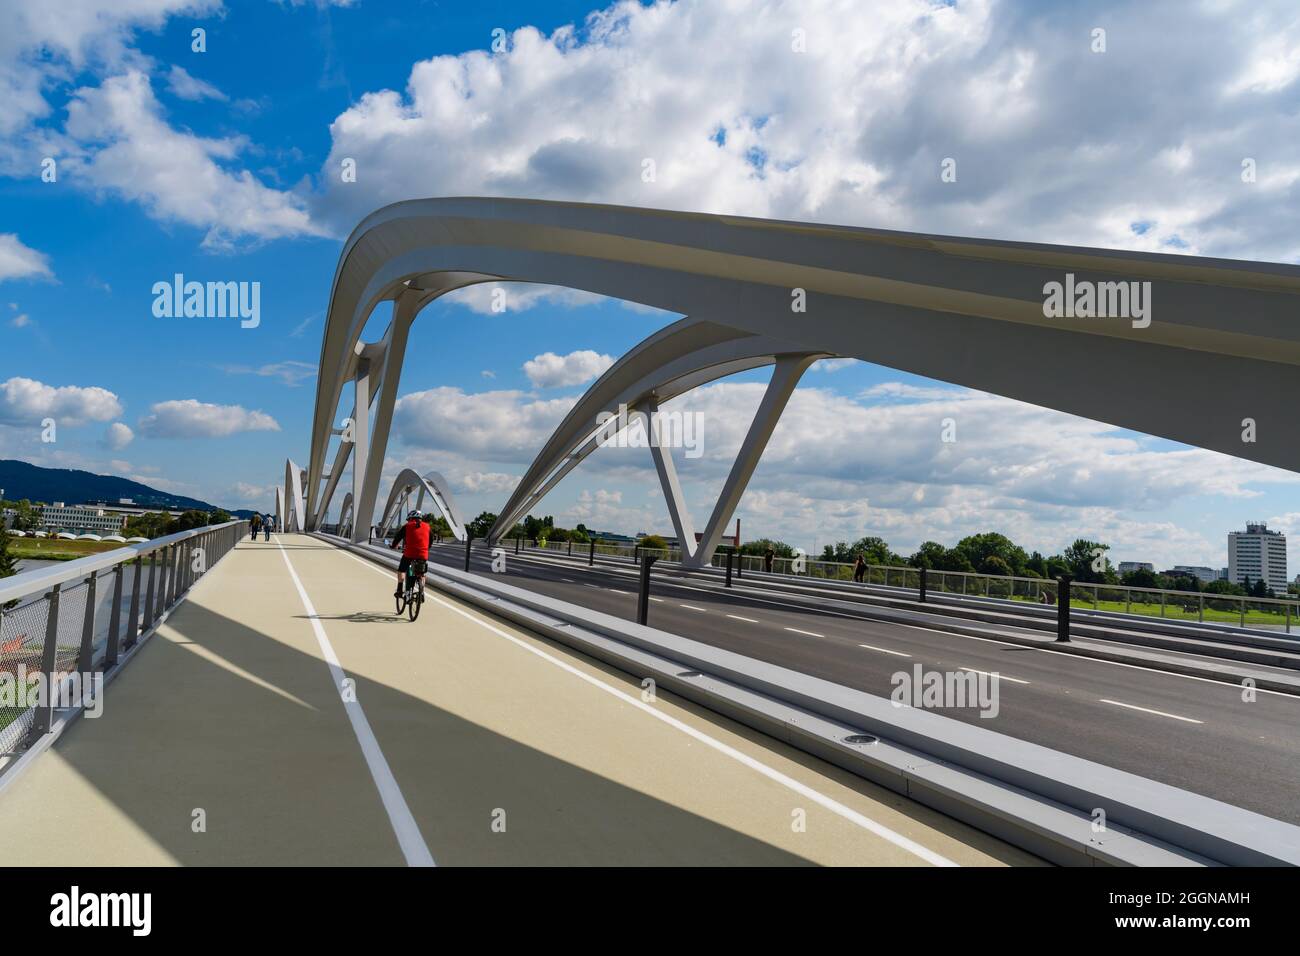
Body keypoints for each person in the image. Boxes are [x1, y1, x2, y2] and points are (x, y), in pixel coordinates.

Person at [390, 510, 431, 598]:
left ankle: (399, 590)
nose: (408, 521)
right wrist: (427, 548)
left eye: (408, 520)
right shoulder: (427, 527)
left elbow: (398, 537)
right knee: (422, 573)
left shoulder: (407, 526)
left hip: (409, 554)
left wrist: (393, 546)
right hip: (423, 554)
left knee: (401, 570)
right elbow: (431, 540)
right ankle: (422, 592)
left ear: (411, 518)